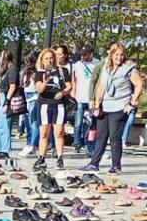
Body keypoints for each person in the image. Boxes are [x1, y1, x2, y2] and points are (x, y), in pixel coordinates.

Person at [83, 43, 143, 173]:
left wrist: (132, 103)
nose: (119, 57)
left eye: (121, 55)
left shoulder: (129, 68)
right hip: (106, 105)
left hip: (120, 106)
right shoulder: (106, 66)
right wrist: (97, 104)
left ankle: (116, 165)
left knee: (114, 137)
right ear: (111, 54)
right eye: (116, 54)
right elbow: (102, 86)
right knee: (101, 136)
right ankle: (94, 164)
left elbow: (139, 84)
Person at [34, 47, 72, 170]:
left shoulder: (63, 71)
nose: (49, 61)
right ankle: (41, 158)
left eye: (51, 58)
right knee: (44, 133)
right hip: (44, 104)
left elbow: (69, 86)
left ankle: (60, 158)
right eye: (47, 59)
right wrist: (45, 81)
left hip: (59, 104)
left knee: (59, 132)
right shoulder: (39, 73)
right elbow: (39, 89)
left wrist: (62, 93)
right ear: (42, 60)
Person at [72, 44, 98, 154]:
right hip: (79, 97)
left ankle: (88, 142)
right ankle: (77, 143)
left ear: (91, 54)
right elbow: (74, 78)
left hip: (91, 98)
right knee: (78, 122)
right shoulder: (77, 64)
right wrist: (73, 90)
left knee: (91, 121)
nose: (83, 57)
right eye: (81, 55)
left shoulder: (96, 63)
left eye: (85, 55)